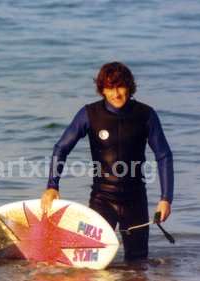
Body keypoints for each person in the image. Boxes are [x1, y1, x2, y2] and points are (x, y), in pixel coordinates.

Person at [41, 62, 174, 261]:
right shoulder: (90, 114)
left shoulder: (145, 115)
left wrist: (165, 199)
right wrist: (52, 186)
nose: (116, 94)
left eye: (120, 87)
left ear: (129, 86)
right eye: (109, 88)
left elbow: (164, 155)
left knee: (137, 264)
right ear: (102, 89)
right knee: (91, 263)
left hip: (135, 200)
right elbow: (61, 148)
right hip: (102, 200)